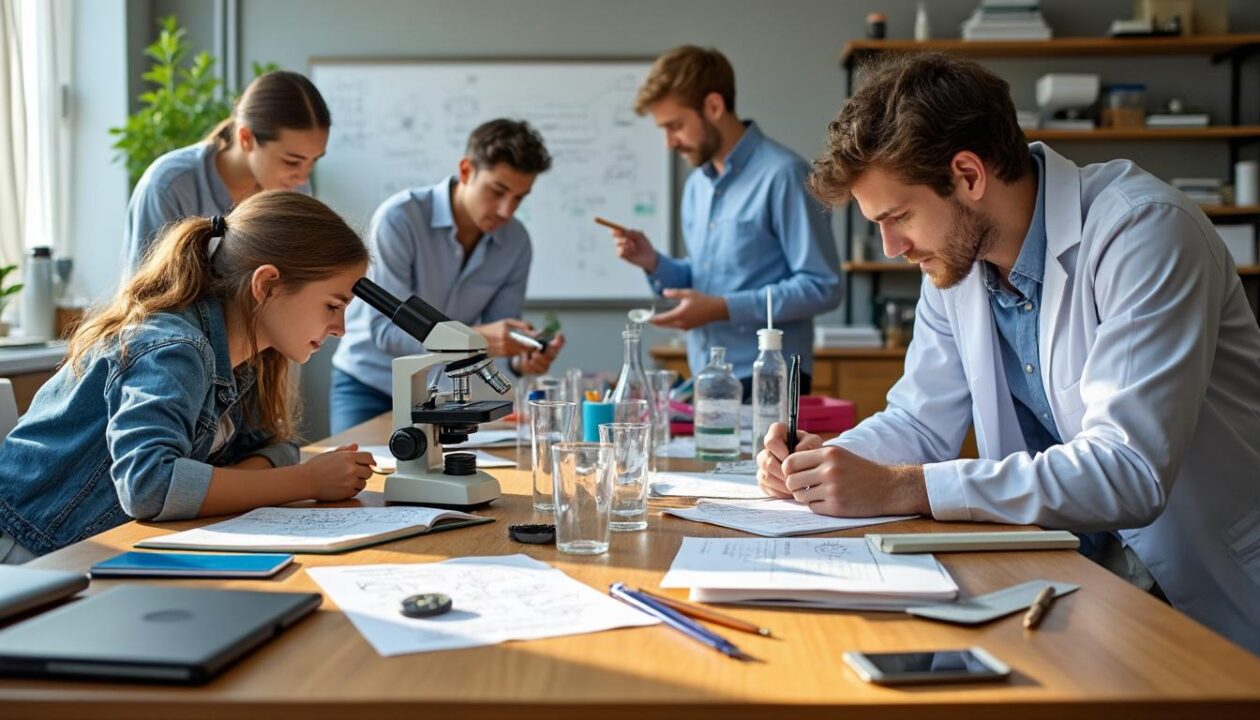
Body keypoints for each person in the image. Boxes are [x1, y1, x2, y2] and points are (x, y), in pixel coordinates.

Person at [758, 53, 1260, 653]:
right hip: (1063, 581)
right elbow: (920, 419)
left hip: (1199, 590)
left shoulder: (1143, 231)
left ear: (968, 175)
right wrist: (825, 464)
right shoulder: (955, 262)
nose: (891, 247)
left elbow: (1130, 473)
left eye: (898, 217)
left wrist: (901, 488)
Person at [0, 191, 373, 562]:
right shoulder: (174, 349)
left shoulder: (248, 355)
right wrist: (304, 482)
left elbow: (278, 447)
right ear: (267, 285)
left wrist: (220, 482)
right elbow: (149, 485)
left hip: (94, 549)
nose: (340, 328)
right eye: (332, 305)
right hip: (28, 551)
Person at [607, 45, 840, 395]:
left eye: (676, 126)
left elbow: (823, 286)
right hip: (706, 373)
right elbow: (707, 278)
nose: (670, 143)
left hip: (769, 378)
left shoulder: (784, 175)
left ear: (713, 106)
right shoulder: (697, 186)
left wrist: (722, 309)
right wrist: (653, 263)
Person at [330, 119, 563, 433]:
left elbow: (497, 335)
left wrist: (521, 358)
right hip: (368, 384)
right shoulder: (401, 218)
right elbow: (386, 331)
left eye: (519, 198)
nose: (507, 211)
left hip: (439, 394)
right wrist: (478, 338)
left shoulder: (516, 243)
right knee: (358, 480)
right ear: (466, 170)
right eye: (498, 191)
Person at [123, 70, 331, 270]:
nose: (303, 176)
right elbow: (145, 296)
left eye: (313, 161)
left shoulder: (295, 185)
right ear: (246, 138)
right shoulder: (168, 186)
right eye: (291, 162)